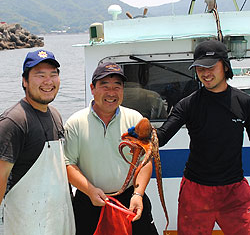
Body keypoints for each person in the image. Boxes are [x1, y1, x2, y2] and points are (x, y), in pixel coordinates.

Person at [157, 39, 250, 234]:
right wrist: (139, 136)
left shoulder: (243, 102)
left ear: (225, 66)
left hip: (235, 193)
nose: (205, 74)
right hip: (196, 192)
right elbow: (162, 136)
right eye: (200, 69)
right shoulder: (187, 105)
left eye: (210, 67)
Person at [64, 61, 158, 235]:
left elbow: (145, 161)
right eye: (104, 86)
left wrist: (138, 194)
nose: (111, 93)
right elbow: (68, 164)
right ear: (92, 88)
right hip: (90, 200)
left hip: (130, 199)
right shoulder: (75, 123)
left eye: (117, 86)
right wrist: (90, 190)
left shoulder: (135, 118)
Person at [0, 49, 75, 234]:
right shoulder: (14, 121)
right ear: (24, 81)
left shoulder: (55, 115)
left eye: (53, 75)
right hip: (26, 225)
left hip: (57, 222)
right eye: (40, 75)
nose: (48, 81)